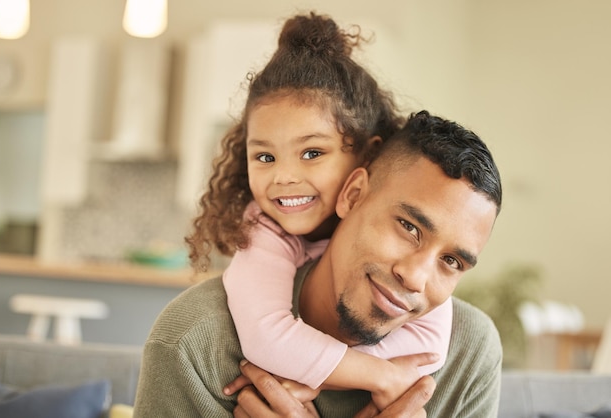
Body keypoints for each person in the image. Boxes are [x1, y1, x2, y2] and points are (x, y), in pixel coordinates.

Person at [133, 108, 503, 418]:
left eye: (451, 261)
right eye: (408, 227)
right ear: (353, 195)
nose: (415, 277)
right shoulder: (193, 342)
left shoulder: (468, 353)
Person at [182, 11, 452, 410]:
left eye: (312, 152)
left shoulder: (403, 244)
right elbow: (265, 336)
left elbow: (429, 344)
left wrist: (313, 378)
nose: (284, 177)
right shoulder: (265, 228)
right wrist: (381, 375)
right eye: (265, 156)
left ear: (368, 155)